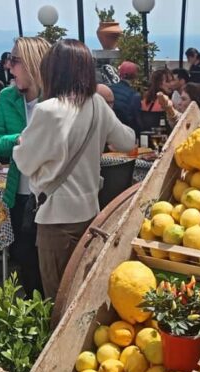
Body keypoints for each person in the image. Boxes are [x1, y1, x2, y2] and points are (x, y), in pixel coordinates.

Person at [13, 39, 135, 298]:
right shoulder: (97, 104)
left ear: (53, 72)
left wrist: (23, 143)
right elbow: (127, 141)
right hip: (91, 215)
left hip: (55, 218)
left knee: (58, 297)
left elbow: (24, 162)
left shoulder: (48, 111)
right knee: (84, 294)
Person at [0, 37, 50, 297]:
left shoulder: (56, 100)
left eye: (14, 61)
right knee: (25, 257)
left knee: (50, 261)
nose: (9, 67)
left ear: (32, 63)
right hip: (20, 193)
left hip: (51, 193)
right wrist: (20, 139)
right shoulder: (7, 97)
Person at [109, 61, 142, 135]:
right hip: (125, 132)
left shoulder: (109, 89)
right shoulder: (134, 95)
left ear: (119, 74)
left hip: (109, 131)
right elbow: (136, 120)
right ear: (135, 76)